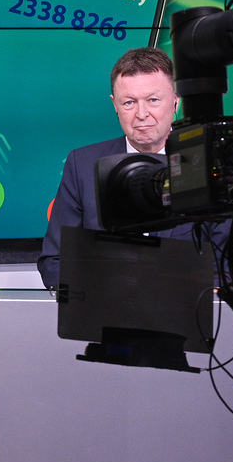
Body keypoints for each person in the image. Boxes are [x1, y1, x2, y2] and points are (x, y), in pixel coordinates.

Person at [38, 47, 187, 289]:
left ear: (175, 101)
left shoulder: (201, 163)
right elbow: (55, 261)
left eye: (153, 100)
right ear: (115, 105)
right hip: (102, 307)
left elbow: (224, 264)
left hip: (182, 309)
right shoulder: (82, 165)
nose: (141, 114)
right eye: (129, 102)